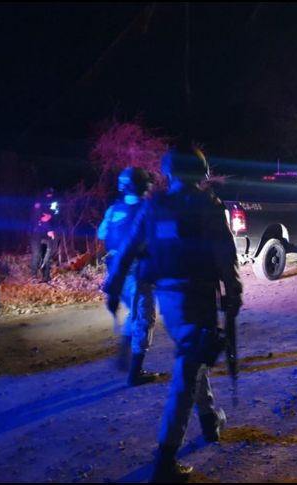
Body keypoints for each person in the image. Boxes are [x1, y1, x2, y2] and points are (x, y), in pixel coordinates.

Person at [104, 143, 242, 483]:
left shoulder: (155, 206)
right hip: (197, 296)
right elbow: (225, 254)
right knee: (187, 367)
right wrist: (233, 293)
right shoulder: (207, 205)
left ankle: (210, 420)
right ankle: (166, 457)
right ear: (201, 173)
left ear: (167, 172)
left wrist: (113, 286)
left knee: (192, 355)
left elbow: (127, 250)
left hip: (168, 297)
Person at [98, 167, 160, 386]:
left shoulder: (114, 209)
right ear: (143, 186)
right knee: (145, 316)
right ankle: (135, 373)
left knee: (135, 313)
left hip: (115, 270)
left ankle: (125, 349)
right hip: (138, 271)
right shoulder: (147, 209)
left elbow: (102, 233)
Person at [29, 187, 59, 283]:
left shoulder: (53, 203)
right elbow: (40, 219)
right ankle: (33, 275)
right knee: (37, 254)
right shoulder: (38, 204)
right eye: (48, 194)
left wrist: (52, 215)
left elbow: (56, 213)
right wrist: (49, 229)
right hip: (36, 232)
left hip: (48, 233)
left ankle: (46, 276)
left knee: (48, 253)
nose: (49, 196)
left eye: (51, 194)